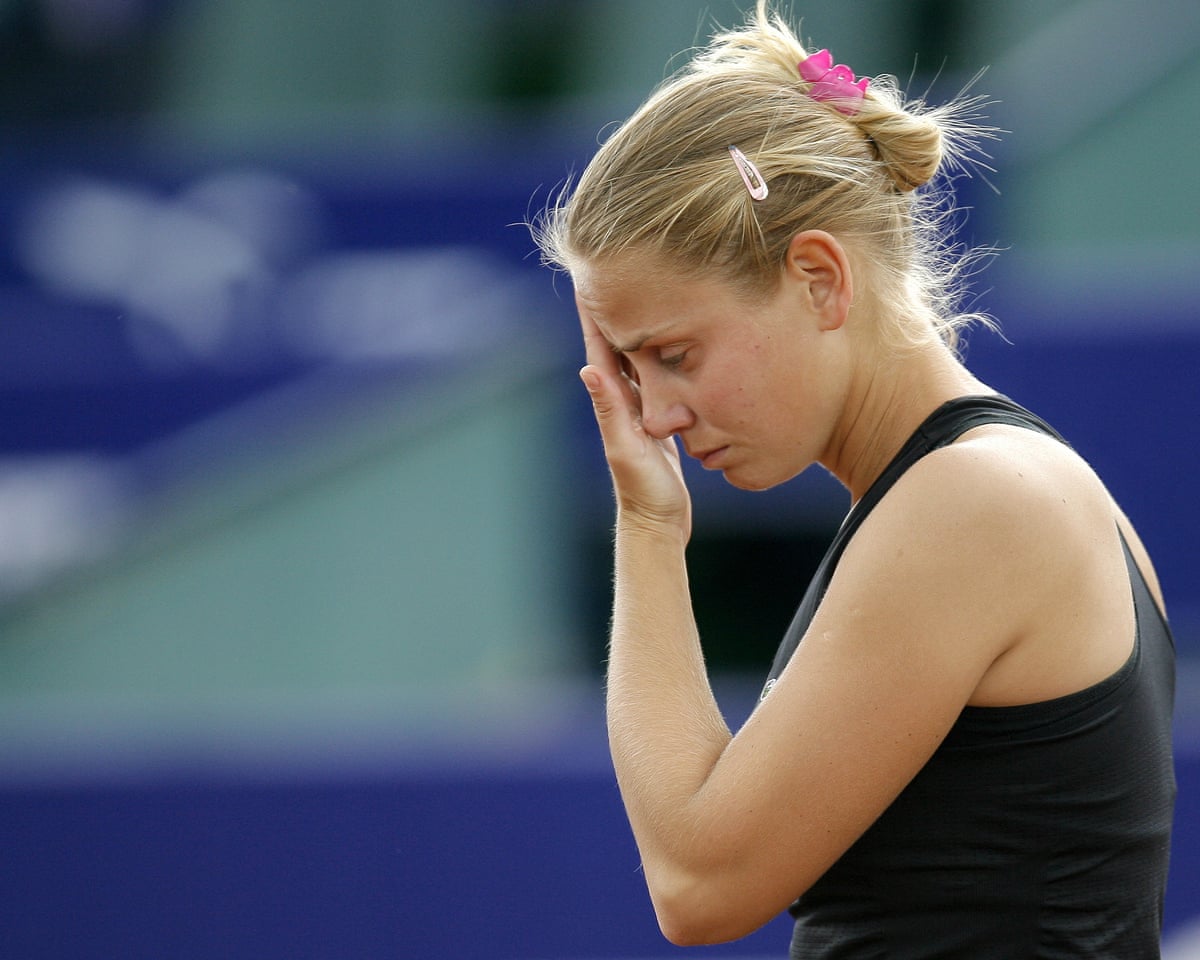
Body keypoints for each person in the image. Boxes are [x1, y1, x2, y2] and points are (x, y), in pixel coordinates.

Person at [532, 2, 1176, 957]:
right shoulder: (985, 491)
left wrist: (647, 526)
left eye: (674, 354)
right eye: (629, 370)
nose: (654, 414)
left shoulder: (976, 507)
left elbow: (696, 882)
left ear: (821, 278)